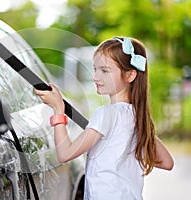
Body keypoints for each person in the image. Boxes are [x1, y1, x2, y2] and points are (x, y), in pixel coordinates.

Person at [35, 36, 174, 200]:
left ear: (130, 75)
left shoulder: (105, 114)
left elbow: (65, 154)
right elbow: (167, 162)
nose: (95, 76)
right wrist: (126, 159)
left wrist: (58, 109)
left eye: (104, 70)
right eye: (95, 69)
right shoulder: (139, 119)